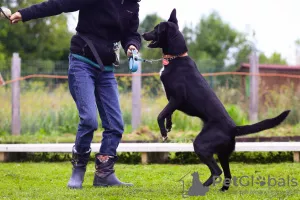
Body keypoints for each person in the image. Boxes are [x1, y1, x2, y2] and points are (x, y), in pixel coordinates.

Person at [10, 0, 141, 189]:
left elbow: (131, 33)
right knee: (88, 120)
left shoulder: (132, 4)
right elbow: (60, 4)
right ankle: (78, 170)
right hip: (82, 62)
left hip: (105, 69)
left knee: (115, 125)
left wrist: (131, 46)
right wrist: (25, 14)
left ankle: (104, 174)